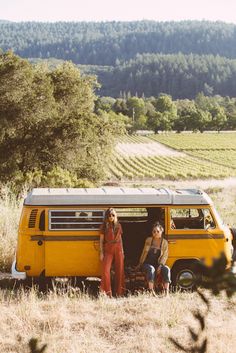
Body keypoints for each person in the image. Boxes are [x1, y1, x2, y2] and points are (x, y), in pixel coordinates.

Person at [138, 222, 171, 296]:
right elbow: (144, 252)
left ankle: (166, 292)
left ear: (161, 232)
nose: (155, 233)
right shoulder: (148, 240)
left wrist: (161, 265)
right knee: (151, 269)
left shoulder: (164, 242)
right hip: (147, 263)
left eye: (157, 231)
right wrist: (140, 264)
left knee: (167, 269)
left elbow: (165, 255)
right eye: (154, 231)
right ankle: (151, 291)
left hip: (159, 264)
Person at [99, 207, 125, 296]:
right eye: (109, 215)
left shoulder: (118, 225)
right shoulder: (104, 226)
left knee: (120, 270)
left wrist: (122, 251)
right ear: (107, 216)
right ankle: (107, 293)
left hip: (118, 248)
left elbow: (120, 239)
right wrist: (101, 252)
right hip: (108, 248)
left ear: (115, 216)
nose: (111, 217)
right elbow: (101, 240)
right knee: (105, 270)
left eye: (113, 215)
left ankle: (119, 292)